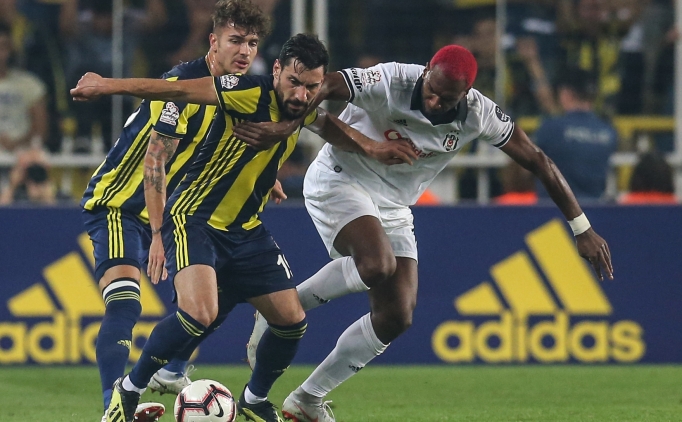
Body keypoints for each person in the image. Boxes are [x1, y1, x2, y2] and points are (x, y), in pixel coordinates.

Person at [233, 44, 615, 422]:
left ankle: (307, 398)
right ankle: (280, 310)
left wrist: (581, 228)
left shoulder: (480, 113)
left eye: (446, 99)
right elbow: (323, 86)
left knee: (396, 315)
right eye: (432, 90)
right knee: (377, 264)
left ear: (466, 94)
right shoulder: (390, 79)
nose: (434, 102)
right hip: (341, 179)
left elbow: (538, 160)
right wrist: (286, 129)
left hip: (394, 204)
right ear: (427, 69)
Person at [71, 33, 416, 422]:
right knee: (199, 314)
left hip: (245, 228)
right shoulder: (245, 90)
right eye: (294, 82)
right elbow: (177, 90)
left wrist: (372, 147)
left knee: (291, 322)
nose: (301, 95)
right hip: (194, 218)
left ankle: (254, 399)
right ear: (277, 70)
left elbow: (329, 126)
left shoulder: (303, 105)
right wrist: (107, 85)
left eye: (311, 87)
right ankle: (129, 390)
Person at [77, 1, 271, 421]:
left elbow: (236, 142)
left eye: (253, 43)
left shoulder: (237, 92)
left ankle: (171, 371)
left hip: (173, 208)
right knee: (125, 302)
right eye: (236, 40)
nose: (244, 51)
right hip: (119, 204)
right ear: (213, 41)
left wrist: (266, 175)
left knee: (217, 293)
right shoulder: (182, 87)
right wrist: (158, 234)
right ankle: (113, 405)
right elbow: (155, 162)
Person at [534, 68, 618, 201]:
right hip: (594, 209)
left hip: (554, 209)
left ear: (565, 94)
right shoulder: (608, 132)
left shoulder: (551, 129)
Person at [0, 22, 47, 153]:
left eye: (3, 47)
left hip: (23, 154)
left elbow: (41, 129)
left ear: (10, 49)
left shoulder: (30, 84)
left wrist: (17, 144)